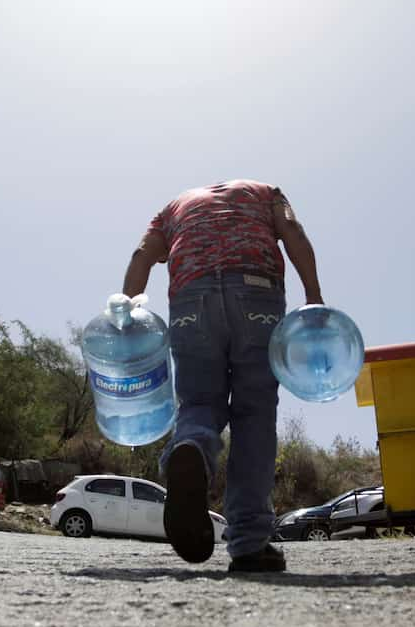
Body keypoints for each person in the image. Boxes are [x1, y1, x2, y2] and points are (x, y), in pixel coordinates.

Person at [122, 179, 324, 572]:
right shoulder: (267, 193)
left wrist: (126, 315)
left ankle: (193, 451)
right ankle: (249, 543)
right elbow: (293, 231)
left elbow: (141, 254)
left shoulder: (172, 209)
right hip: (257, 294)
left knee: (199, 403)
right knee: (254, 413)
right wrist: (314, 297)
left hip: (190, 301)